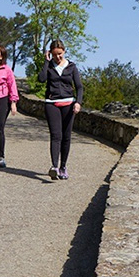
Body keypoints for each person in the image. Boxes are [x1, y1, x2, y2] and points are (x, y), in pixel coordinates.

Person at [38, 39, 83, 180]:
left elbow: (79, 87)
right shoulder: (49, 66)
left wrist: (78, 102)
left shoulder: (72, 67)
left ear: (64, 51)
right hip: (52, 103)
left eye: (60, 54)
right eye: (55, 54)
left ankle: (63, 166)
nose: (58, 57)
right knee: (56, 135)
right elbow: (41, 79)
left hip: (69, 104)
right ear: (50, 53)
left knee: (66, 136)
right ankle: (54, 167)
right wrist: (46, 62)